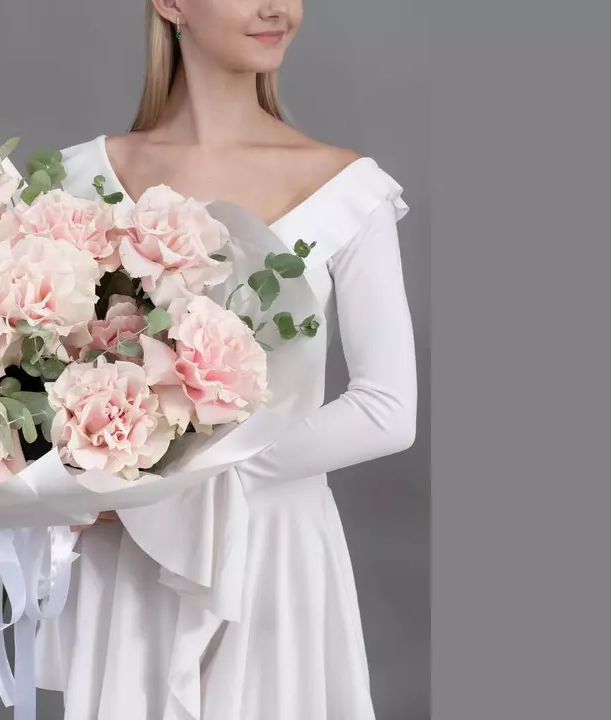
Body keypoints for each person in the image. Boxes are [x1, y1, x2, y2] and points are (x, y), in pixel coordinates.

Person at [33, 1, 418, 718]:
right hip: (132, 564)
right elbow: (36, 377)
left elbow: (386, 411)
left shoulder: (345, 188)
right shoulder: (81, 182)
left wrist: (174, 486)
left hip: (270, 554)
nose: (278, 8)